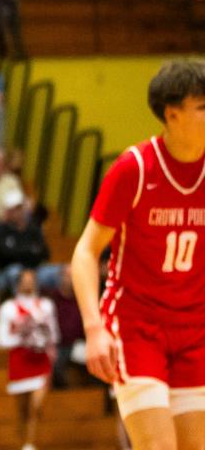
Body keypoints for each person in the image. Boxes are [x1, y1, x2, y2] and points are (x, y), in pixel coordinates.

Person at [72, 60, 205, 450]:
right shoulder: (135, 168)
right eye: (203, 106)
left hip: (194, 327)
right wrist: (95, 329)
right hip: (136, 325)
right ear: (172, 114)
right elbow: (84, 252)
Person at [0, 269, 60, 450]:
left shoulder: (46, 305)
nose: (28, 283)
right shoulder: (8, 308)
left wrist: (41, 341)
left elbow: (53, 334)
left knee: (36, 405)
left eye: (32, 280)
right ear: (17, 283)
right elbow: (2, 340)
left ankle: (31, 443)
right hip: (19, 360)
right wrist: (24, 335)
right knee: (22, 410)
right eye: (24, 280)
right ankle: (23, 443)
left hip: (41, 361)